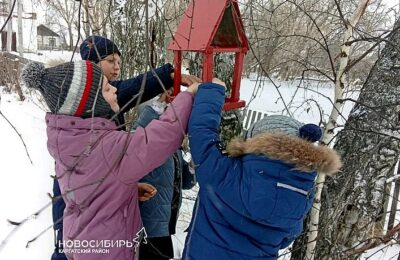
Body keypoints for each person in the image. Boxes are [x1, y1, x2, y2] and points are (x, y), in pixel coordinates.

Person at [21, 60, 199, 260]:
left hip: (84, 242)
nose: (115, 89)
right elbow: (160, 138)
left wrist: (120, 188)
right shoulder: (109, 146)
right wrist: (188, 97)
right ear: (91, 104)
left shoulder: (67, 142)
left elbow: (83, 189)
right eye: (107, 88)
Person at [182, 78, 342, 259]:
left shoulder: (226, 175)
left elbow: (202, 133)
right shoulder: (302, 191)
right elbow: (286, 239)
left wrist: (213, 90)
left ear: (254, 143)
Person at [130, 92, 196, 260]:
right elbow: (137, 135)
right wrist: (157, 108)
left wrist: (193, 167)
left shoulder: (174, 149)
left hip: (168, 219)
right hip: (148, 223)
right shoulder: (141, 143)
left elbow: (185, 183)